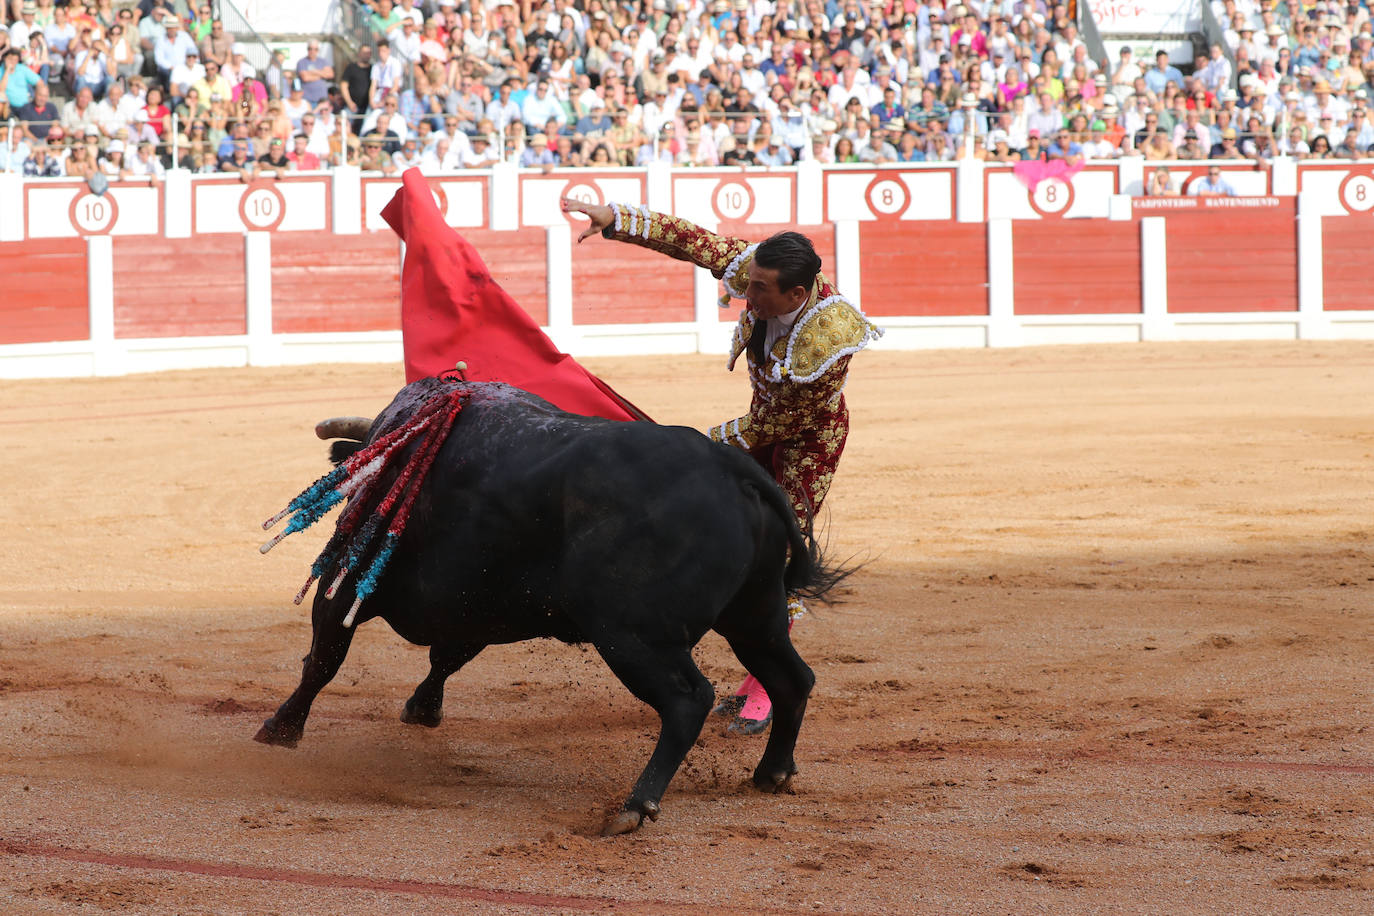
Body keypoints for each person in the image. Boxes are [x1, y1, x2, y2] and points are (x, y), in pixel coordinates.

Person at [560, 196, 882, 735]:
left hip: (807, 440)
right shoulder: (763, 273)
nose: (743, 293)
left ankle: (765, 685)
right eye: (748, 281)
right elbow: (695, 241)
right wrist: (617, 220)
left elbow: (782, 425)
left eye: (759, 290)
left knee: (779, 552)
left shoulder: (832, 337)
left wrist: (700, 444)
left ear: (797, 294)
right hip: (760, 421)